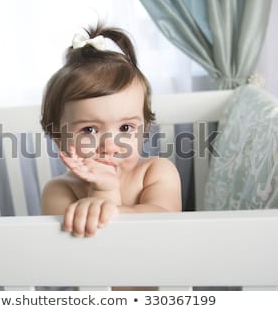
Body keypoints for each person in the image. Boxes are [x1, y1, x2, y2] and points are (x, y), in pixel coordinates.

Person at [40, 24, 181, 238]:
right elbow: (75, 251)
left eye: (125, 128)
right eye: (89, 129)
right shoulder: (59, 190)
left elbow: (166, 221)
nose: (110, 146)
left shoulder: (156, 172)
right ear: (58, 138)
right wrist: (104, 190)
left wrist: (107, 200)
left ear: (144, 130)